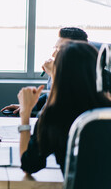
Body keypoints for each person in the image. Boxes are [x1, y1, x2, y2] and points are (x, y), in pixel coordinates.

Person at [17, 41, 111, 174]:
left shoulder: (55, 115)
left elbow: (29, 164)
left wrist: (25, 113)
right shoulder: (106, 111)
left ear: (60, 72)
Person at [0, 27, 88, 116]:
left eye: (59, 50)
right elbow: (48, 96)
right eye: (55, 48)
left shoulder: (85, 80)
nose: (53, 54)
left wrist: (53, 75)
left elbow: (57, 111)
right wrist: (30, 106)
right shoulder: (59, 70)